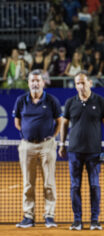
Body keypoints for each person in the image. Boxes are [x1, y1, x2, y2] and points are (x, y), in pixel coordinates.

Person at [59, 71, 104, 231]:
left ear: (90, 83)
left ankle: (95, 220)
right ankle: (77, 220)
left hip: (94, 152)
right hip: (74, 151)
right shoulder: (70, 102)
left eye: (83, 82)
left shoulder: (100, 101)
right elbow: (64, 124)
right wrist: (62, 144)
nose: (81, 86)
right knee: (75, 186)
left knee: (94, 186)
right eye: (78, 83)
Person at [13, 70, 62, 228]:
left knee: (49, 182)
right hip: (27, 146)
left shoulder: (51, 100)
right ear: (28, 83)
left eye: (38, 81)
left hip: (47, 145)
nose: (35, 83)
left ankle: (49, 215)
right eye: (32, 80)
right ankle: (28, 216)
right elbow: (17, 122)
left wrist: (52, 137)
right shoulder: (21, 100)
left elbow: (59, 121)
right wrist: (26, 136)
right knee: (28, 183)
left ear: (43, 83)